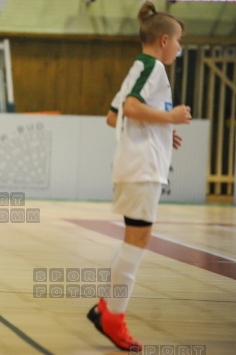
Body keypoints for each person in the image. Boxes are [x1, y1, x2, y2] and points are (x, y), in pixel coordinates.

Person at [86, 1, 191, 352]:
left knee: (134, 241)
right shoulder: (154, 68)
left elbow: (114, 116)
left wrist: (161, 128)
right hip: (142, 169)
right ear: (164, 40)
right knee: (138, 242)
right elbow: (130, 108)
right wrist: (171, 118)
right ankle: (114, 317)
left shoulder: (141, 67)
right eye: (178, 41)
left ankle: (106, 308)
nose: (179, 47)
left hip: (136, 166)